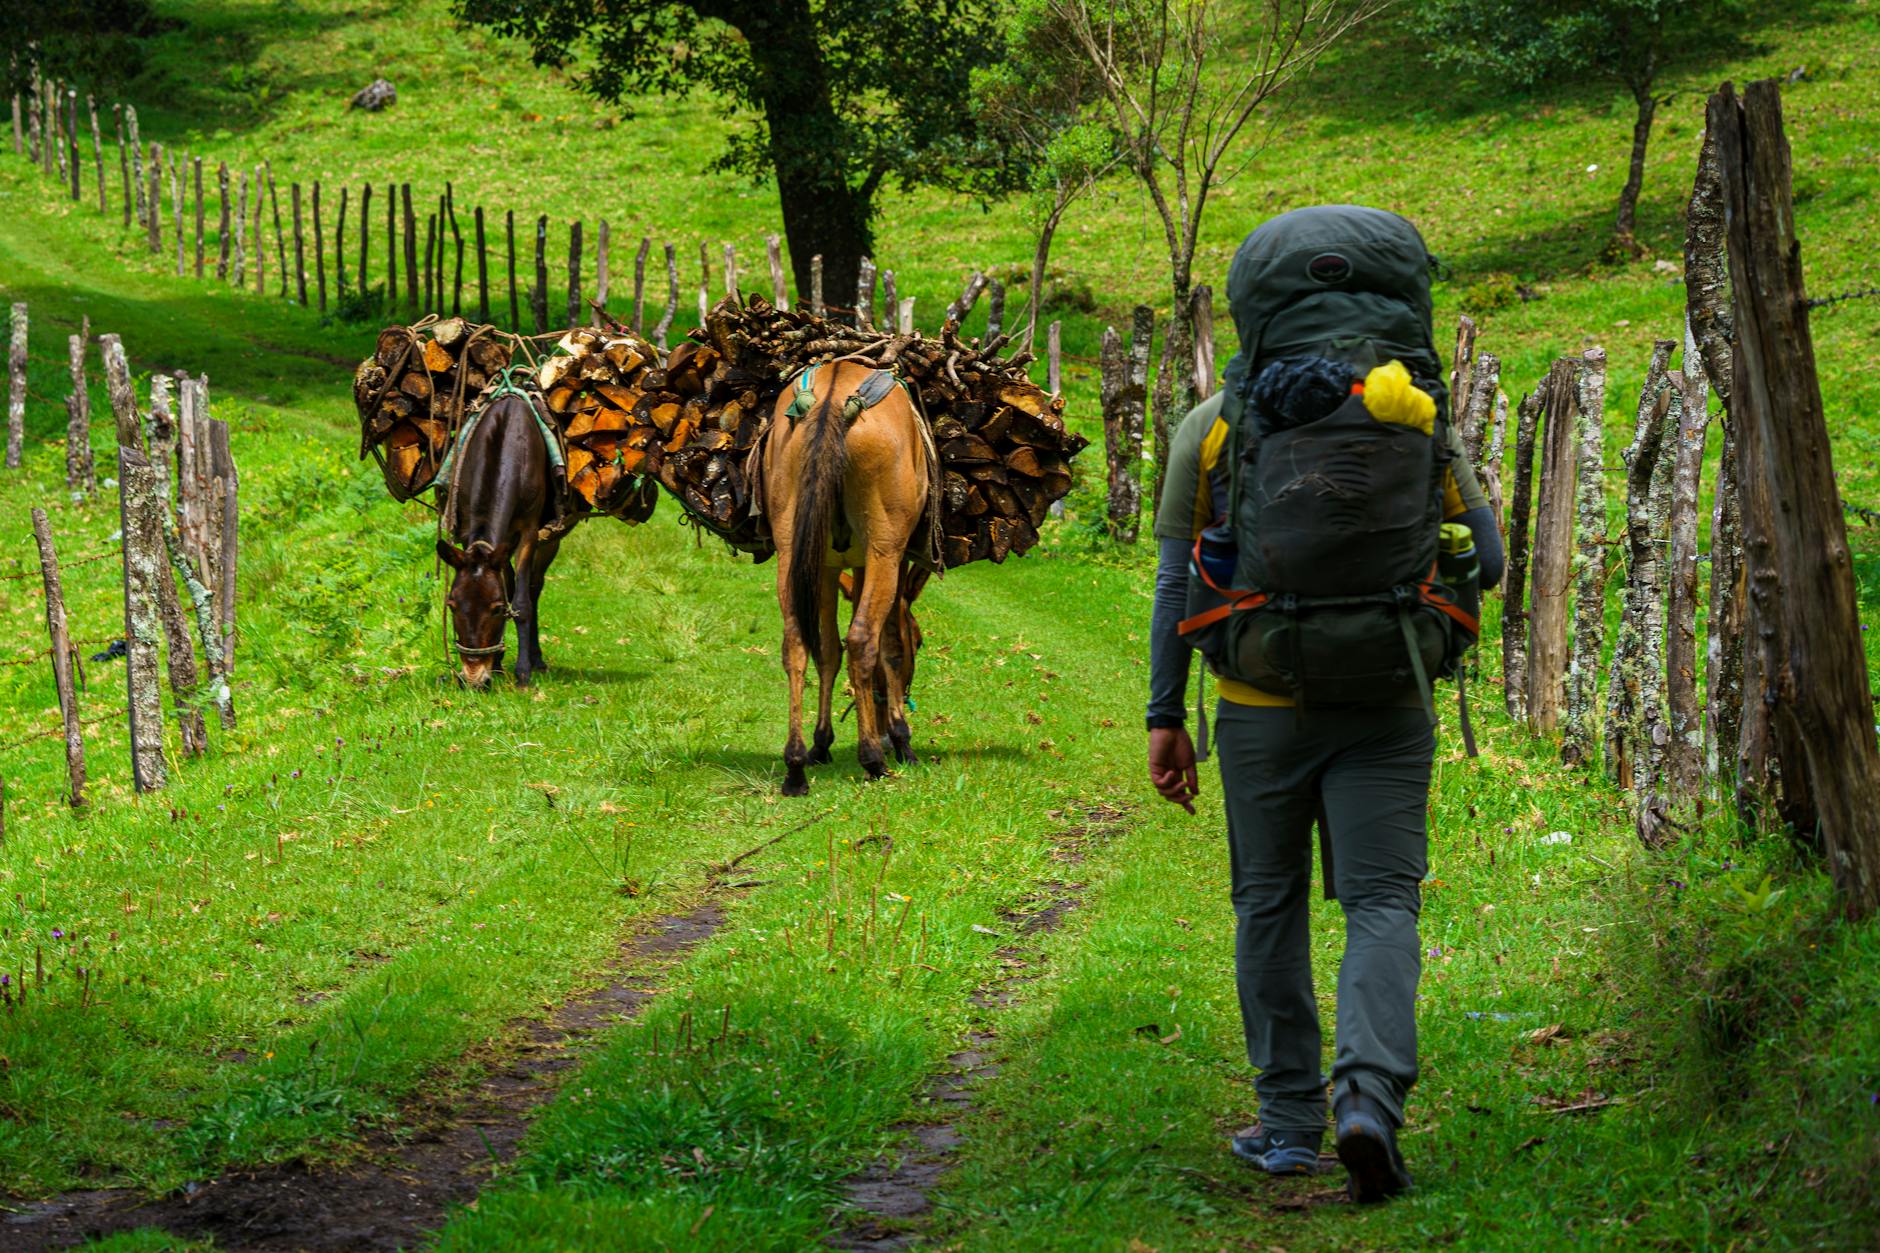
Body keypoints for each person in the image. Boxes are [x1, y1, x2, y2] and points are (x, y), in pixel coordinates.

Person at [1146, 205, 1503, 1202]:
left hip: (1257, 701)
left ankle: (1289, 1122)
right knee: (1382, 901)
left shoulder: (1214, 425)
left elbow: (1175, 587)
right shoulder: (1408, 409)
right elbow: (1494, 556)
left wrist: (1162, 716)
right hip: (1388, 697)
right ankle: (1367, 1099)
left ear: (1256, 306)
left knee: (1267, 903)